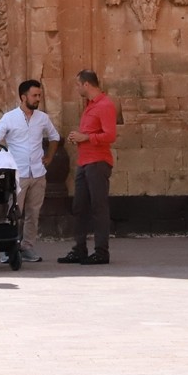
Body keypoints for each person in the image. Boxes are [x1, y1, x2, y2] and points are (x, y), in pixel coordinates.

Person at [0, 79, 60, 264]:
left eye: (39, 96)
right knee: (13, 212)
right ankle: (8, 247)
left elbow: (54, 136)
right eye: (35, 96)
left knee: (33, 214)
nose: (38, 99)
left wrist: (49, 158)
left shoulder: (42, 118)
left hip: (38, 173)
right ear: (23, 97)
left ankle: (27, 247)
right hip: (17, 174)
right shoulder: (9, 118)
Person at [59, 70, 117, 266]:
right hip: (84, 162)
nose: (76, 88)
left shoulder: (105, 105)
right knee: (79, 207)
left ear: (86, 85)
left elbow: (110, 135)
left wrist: (86, 137)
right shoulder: (90, 106)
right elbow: (92, 133)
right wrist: (79, 137)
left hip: (98, 162)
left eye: (78, 84)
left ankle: (102, 251)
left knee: (98, 207)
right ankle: (80, 249)